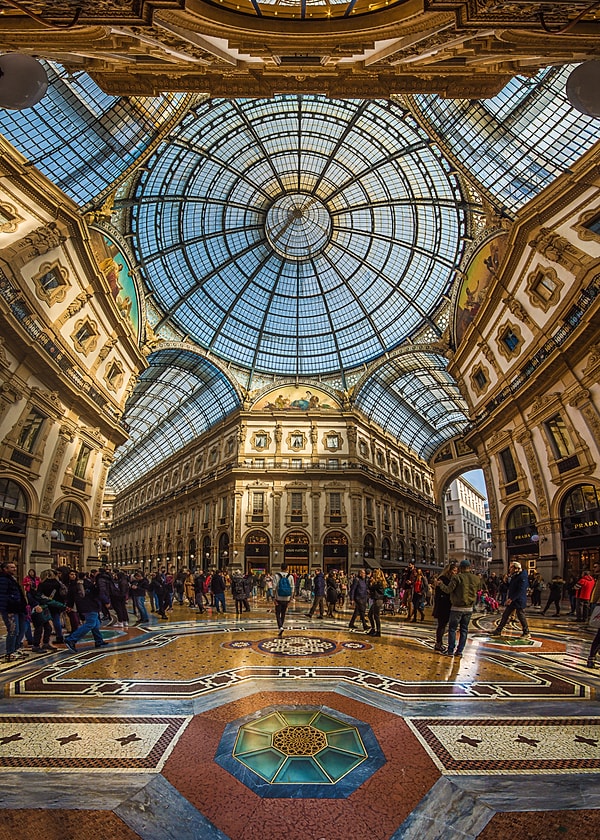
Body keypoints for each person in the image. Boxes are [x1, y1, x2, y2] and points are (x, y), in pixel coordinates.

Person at [437, 559, 481, 657]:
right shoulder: (476, 578)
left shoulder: (457, 578)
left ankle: (450, 650)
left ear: (461, 568)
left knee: (452, 629)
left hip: (456, 608)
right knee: (464, 630)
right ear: (470, 568)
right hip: (469, 608)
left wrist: (440, 584)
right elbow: (478, 590)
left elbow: (448, 590)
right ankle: (460, 651)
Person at [63, 576, 109, 652]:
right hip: (91, 606)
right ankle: (71, 639)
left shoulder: (73, 585)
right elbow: (98, 593)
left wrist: (69, 605)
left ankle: (98, 640)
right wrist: (106, 601)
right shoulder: (90, 584)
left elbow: (70, 596)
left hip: (82, 606)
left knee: (95, 623)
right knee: (90, 624)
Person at [490, 561, 530, 639]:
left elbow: (521, 590)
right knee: (505, 615)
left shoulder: (522, 577)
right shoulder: (515, 576)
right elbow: (511, 587)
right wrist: (505, 582)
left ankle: (526, 632)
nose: (509, 569)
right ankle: (498, 630)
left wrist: (511, 599)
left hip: (518, 600)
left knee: (521, 616)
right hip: (512, 600)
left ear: (516, 568)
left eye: (511, 567)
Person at [0, 560, 28, 662]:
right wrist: (11, 604)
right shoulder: (3, 579)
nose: (14, 568)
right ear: (5, 569)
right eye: (11, 567)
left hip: (18, 608)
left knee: (21, 629)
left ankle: (16, 649)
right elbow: (3, 595)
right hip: (10, 609)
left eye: (14, 567)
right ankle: (10, 652)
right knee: (13, 630)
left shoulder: (12, 578)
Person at [432, 562, 458, 653]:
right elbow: (445, 591)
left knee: (443, 625)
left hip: (446, 604)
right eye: (454, 570)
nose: (455, 572)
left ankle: (439, 643)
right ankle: (438, 643)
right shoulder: (443, 579)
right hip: (443, 605)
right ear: (449, 571)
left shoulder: (447, 579)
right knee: (442, 625)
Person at [273, 562, 295, 636]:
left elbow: (274, 587)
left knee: (277, 613)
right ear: (287, 568)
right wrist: (291, 598)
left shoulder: (276, 576)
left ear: (281, 567)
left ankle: (280, 627)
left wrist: (274, 597)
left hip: (278, 597)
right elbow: (292, 588)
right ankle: (281, 626)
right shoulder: (290, 576)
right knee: (283, 613)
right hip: (287, 597)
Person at [368, 568, 386, 636]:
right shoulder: (378, 582)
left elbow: (371, 587)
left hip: (378, 600)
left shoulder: (379, 582)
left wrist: (370, 582)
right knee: (370, 615)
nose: (373, 574)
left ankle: (378, 631)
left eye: (374, 573)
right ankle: (373, 629)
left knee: (376, 616)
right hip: (376, 599)